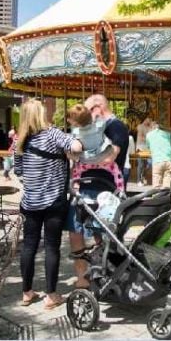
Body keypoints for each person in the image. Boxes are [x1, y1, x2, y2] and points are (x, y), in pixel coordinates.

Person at [14, 98, 83, 310]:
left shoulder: (20, 141)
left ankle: (27, 292)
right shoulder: (52, 133)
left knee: (29, 246)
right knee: (52, 246)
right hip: (54, 200)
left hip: (30, 201)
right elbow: (76, 145)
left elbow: (19, 171)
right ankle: (51, 295)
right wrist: (71, 153)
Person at [67, 94, 130, 290]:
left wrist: (82, 159)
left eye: (86, 112)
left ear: (96, 108)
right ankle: (84, 277)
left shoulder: (115, 126)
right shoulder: (88, 129)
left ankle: (110, 273)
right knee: (76, 231)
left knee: (102, 234)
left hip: (104, 188)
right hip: (85, 186)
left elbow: (109, 157)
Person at [67, 104, 124, 193]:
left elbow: (73, 147)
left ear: (75, 123)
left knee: (76, 172)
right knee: (116, 171)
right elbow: (104, 120)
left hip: (85, 162)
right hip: (102, 158)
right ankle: (120, 189)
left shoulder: (75, 132)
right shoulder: (98, 126)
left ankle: (75, 188)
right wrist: (96, 115)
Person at [146, 122, 171, 188]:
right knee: (167, 188)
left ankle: (157, 197)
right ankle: (165, 197)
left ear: (151, 128)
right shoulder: (167, 134)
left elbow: (148, 148)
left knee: (156, 187)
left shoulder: (149, 135)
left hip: (157, 161)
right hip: (169, 161)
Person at [135, 117, 152, 186]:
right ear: (145, 119)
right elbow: (141, 136)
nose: (149, 121)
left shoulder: (149, 127)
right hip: (140, 148)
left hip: (147, 148)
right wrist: (148, 138)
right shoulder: (140, 126)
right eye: (148, 119)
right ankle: (139, 180)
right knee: (140, 164)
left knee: (147, 164)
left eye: (150, 120)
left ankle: (143, 177)